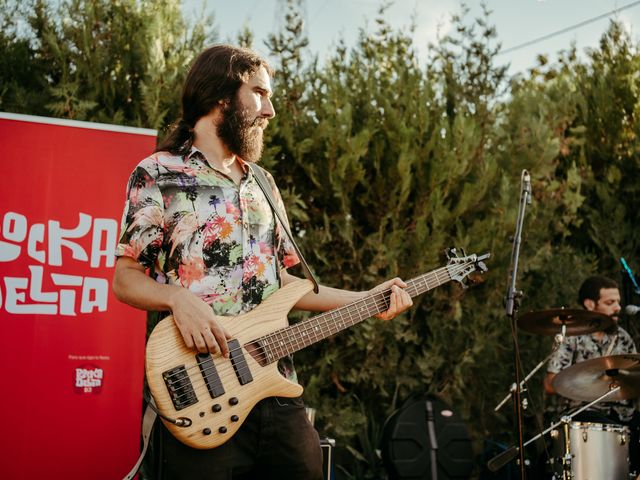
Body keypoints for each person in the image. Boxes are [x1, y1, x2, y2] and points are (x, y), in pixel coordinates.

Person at [112, 44, 413, 480]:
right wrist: (177, 298)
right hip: (201, 394)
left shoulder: (264, 185)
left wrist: (369, 298)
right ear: (221, 96)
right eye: (259, 93)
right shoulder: (158, 173)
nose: (270, 110)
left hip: (275, 387)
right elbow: (125, 279)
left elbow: (285, 284)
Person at [544, 275, 637, 423]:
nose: (618, 308)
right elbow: (550, 384)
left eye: (618, 302)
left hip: (623, 415)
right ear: (589, 304)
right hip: (584, 415)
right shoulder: (570, 336)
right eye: (610, 302)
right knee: (594, 418)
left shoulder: (623, 337)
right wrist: (588, 382)